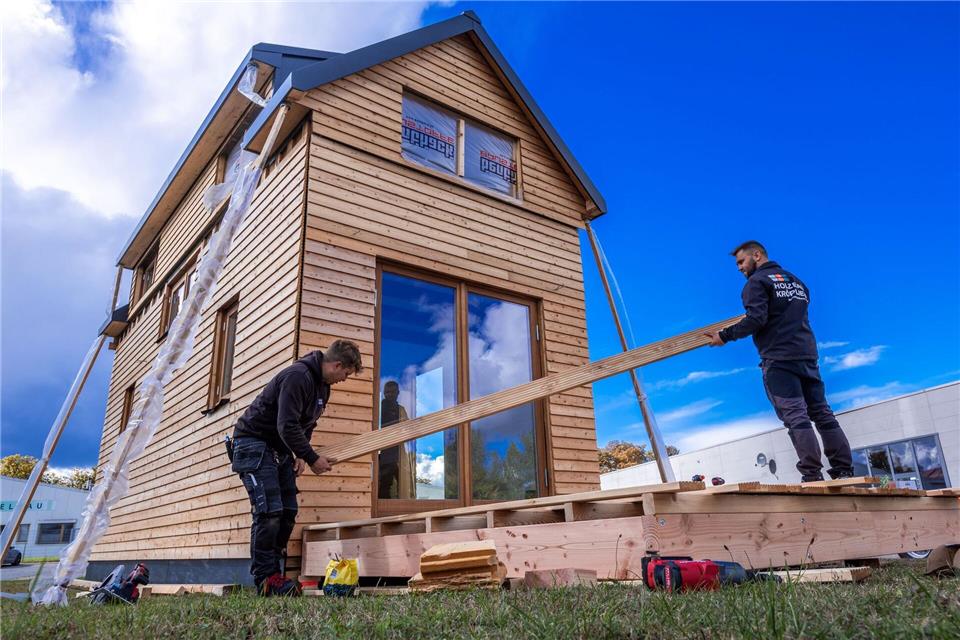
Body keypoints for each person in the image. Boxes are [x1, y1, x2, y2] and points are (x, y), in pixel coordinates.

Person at [703, 241, 854, 482]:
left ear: (757, 255)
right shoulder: (797, 283)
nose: (739, 268)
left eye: (741, 262)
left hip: (779, 359)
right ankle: (843, 470)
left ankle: (812, 475)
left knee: (796, 417)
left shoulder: (756, 283)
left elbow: (756, 319)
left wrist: (724, 336)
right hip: (807, 356)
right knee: (822, 413)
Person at [230, 340, 362, 596]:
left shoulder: (323, 388)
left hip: (277, 449)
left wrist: (301, 454)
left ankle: (276, 575)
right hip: (253, 443)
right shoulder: (297, 377)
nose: (344, 379)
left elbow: (305, 426)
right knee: (269, 511)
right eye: (346, 374)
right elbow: (286, 425)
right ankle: (266, 579)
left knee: (288, 510)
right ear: (337, 365)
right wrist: (312, 458)